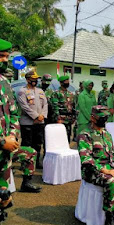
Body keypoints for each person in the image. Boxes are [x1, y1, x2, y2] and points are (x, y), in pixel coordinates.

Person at [0, 38, 42, 193]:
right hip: (2, 143)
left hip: (8, 144)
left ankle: (26, 183)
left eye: (6, 57)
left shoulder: (4, 82)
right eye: (1, 56)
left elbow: (13, 112)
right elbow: (24, 107)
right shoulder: (22, 90)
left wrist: (12, 136)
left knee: (31, 152)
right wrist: (3, 141)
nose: (5, 60)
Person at [17, 71, 48, 169]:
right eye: (33, 79)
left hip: (40, 122)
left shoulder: (40, 91)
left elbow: (45, 104)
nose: (35, 81)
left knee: (38, 143)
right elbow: (24, 107)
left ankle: (36, 162)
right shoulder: (22, 91)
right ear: (27, 79)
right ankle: (25, 163)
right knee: (27, 143)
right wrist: (35, 116)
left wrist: (42, 115)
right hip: (27, 123)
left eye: (36, 79)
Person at [51, 75, 76, 142]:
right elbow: (55, 107)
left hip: (69, 119)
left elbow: (73, 106)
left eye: (68, 81)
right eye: (66, 81)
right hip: (61, 119)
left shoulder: (70, 94)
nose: (68, 82)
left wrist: (73, 117)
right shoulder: (56, 93)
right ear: (61, 83)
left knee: (67, 138)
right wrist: (58, 118)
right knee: (59, 138)